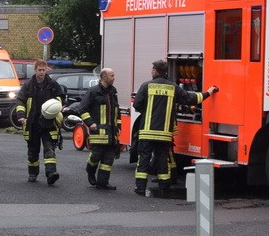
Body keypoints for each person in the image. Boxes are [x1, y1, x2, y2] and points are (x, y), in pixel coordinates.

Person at [133, 59, 217, 198]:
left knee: (144, 160)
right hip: (165, 133)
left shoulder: (146, 86)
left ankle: (140, 188)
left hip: (147, 132)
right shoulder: (173, 87)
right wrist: (208, 93)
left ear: (155, 71)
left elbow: (137, 105)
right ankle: (164, 186)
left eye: (152, 69)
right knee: (162, 160)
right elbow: (191, 99)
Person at [65, 68, 120, 190]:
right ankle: (90, 170)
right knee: (96, 156)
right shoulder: (93, 92)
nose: (114, 78)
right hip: (98, 133)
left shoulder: (113, 92)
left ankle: (102, 183)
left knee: (108, 160)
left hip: (111, 133)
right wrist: (90, 123)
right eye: (112, 75)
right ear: (104, 77)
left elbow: (117, 112)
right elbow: (82, 109)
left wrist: (119, 127)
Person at [14, 60, 64, 184]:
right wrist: (21, 115)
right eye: (39, 70)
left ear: (46, 70)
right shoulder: (28, 85)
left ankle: (51, 173)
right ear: (35, 70)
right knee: (33, 151)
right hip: (32, 123)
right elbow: (20, 101)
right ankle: (33, 173)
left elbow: (61, 98)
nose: (42, 72)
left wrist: (58, 106)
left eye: (44, 70)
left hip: (49, 123)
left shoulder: (52, 84)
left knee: (49, 149)